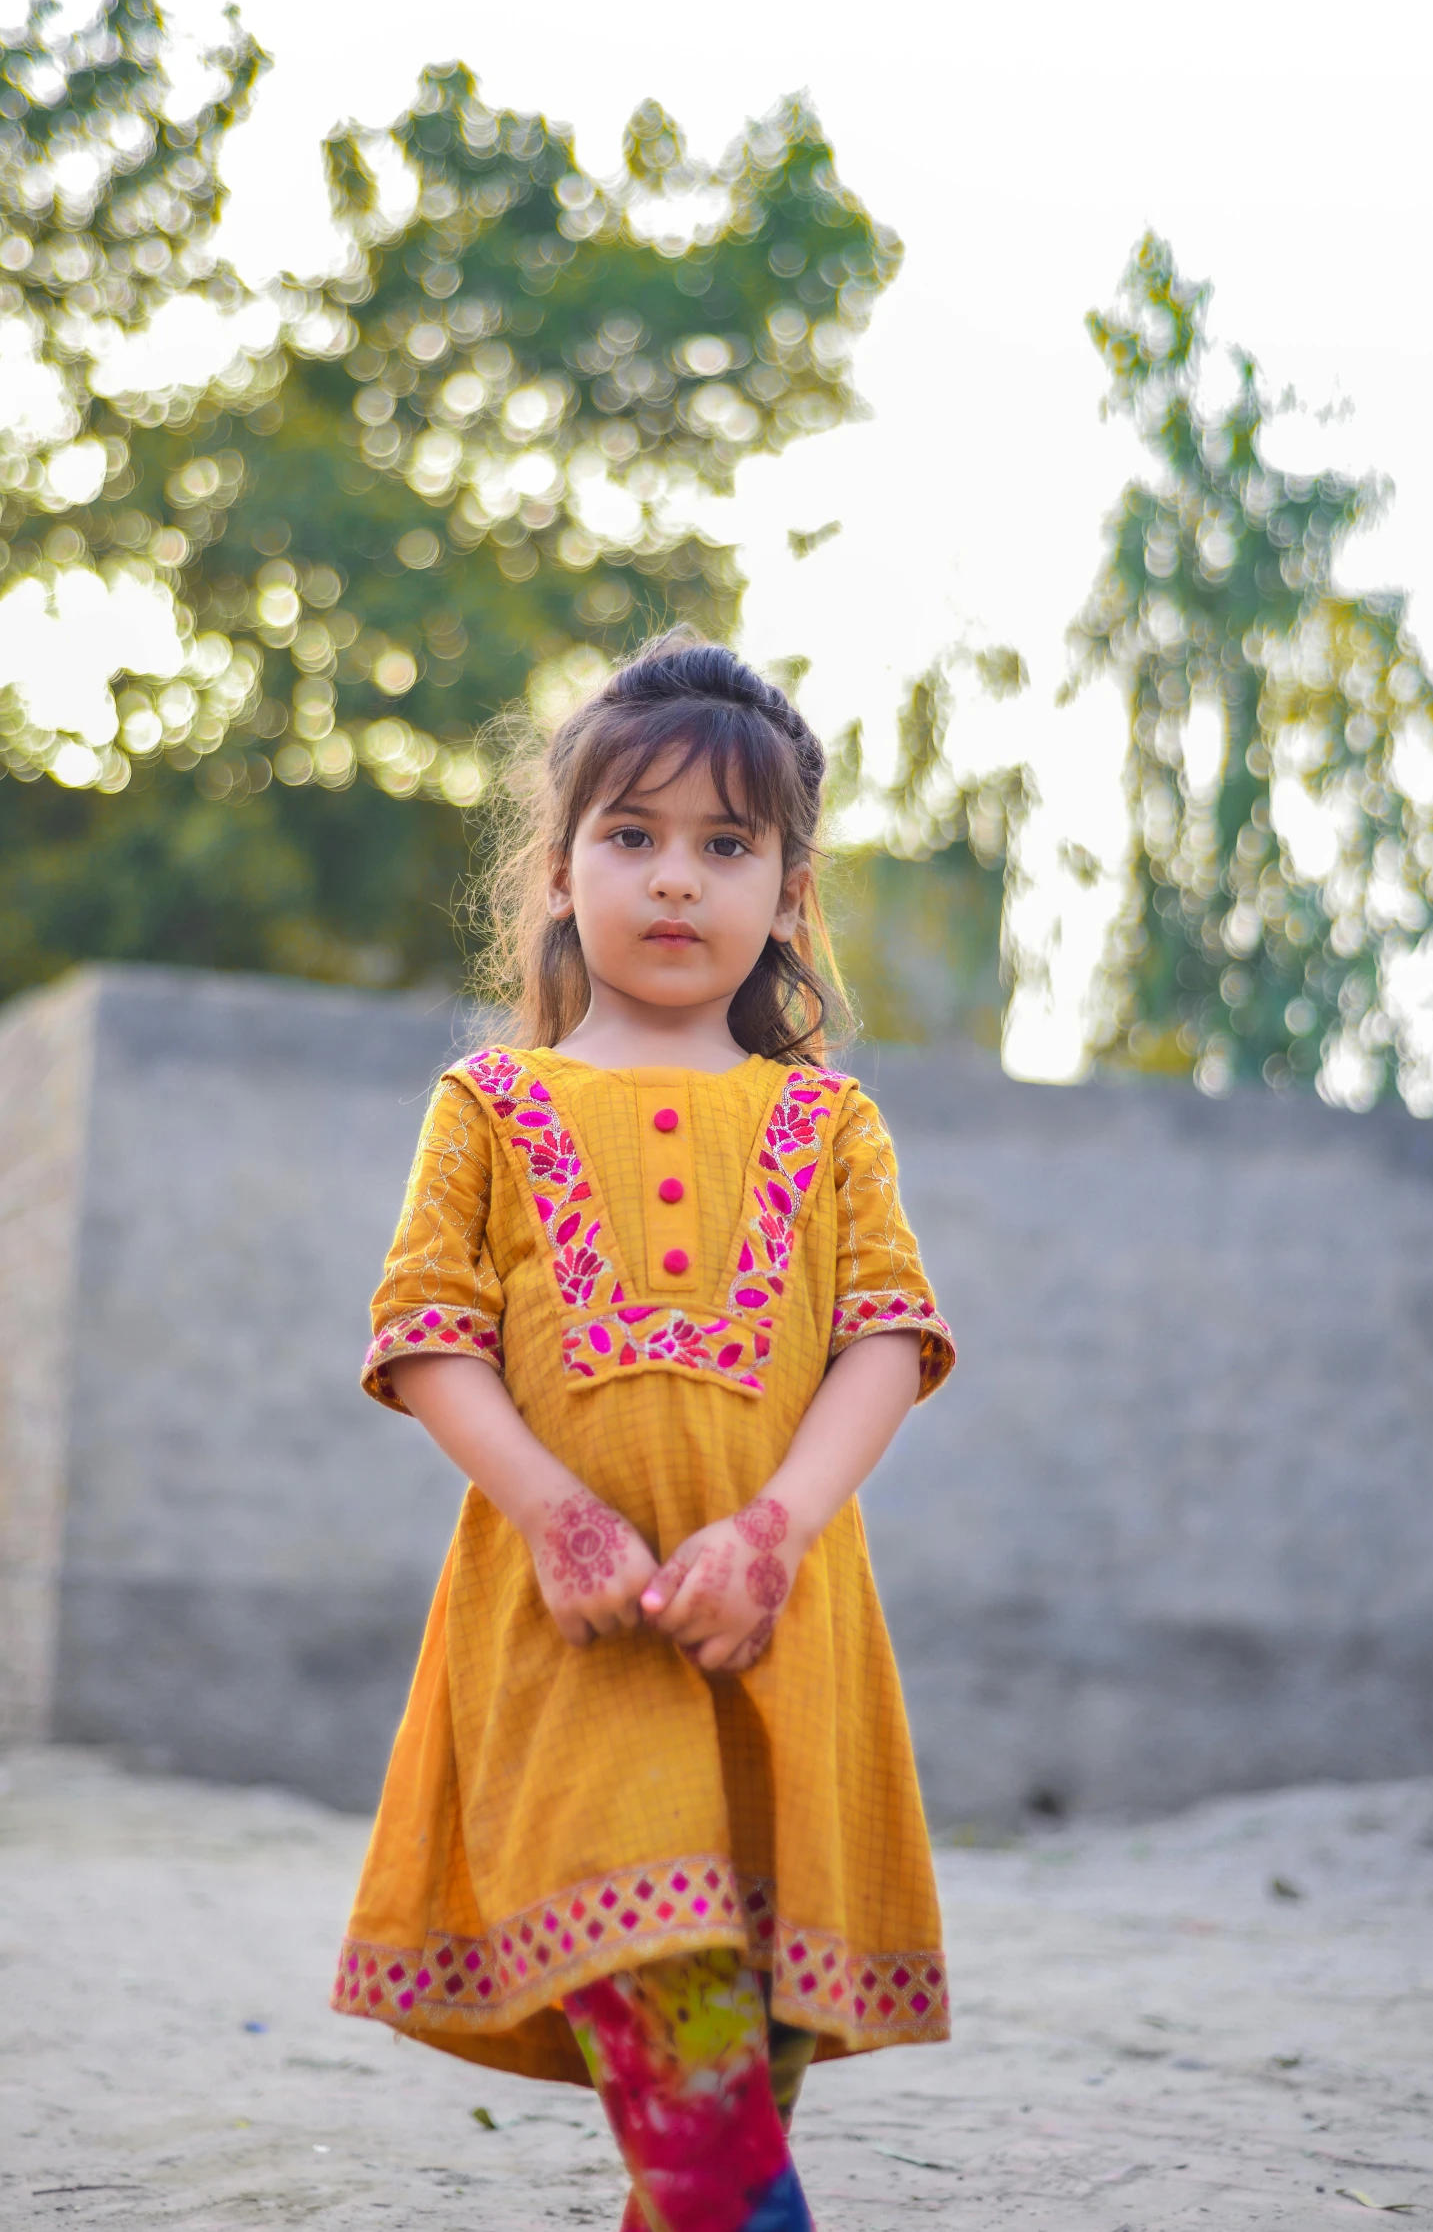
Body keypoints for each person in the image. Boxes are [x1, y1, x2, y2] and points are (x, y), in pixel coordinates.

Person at [332, 632, 956, 2232]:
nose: (677, 882)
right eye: (634, 837)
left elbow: (888, 1337)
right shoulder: (491, 1104)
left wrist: (772, 1532)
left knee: (720, 2111)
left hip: (784, 1651)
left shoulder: (829, 1122)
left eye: (726, 847)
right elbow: (427, 1338)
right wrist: (558, 1514)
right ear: (556, 874)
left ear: (790, 894)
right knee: (716, 2152)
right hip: (572, 1651)